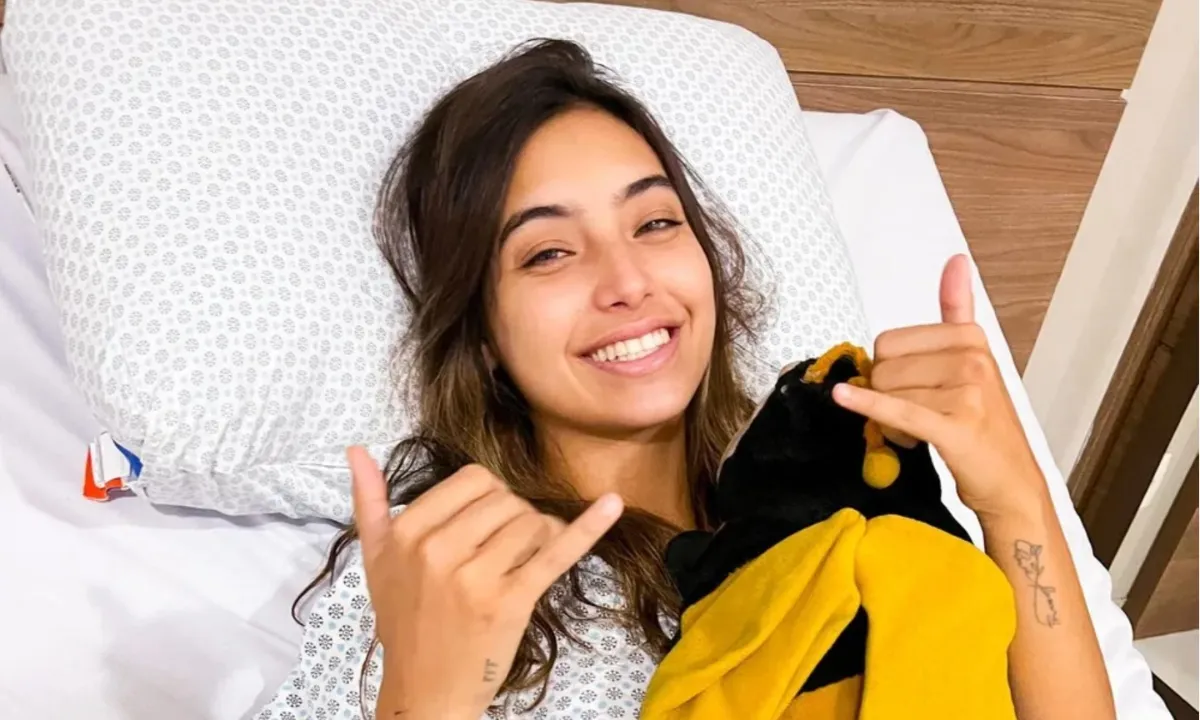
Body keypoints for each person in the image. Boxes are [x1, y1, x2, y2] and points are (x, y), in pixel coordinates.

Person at [258, 39, 1117, 720]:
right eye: (548, 252)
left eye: (655, 223)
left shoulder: (834, 475)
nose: (627, 281)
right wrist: (424, 703)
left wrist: (1015, 500)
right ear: (480, 330)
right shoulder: (436, 568)